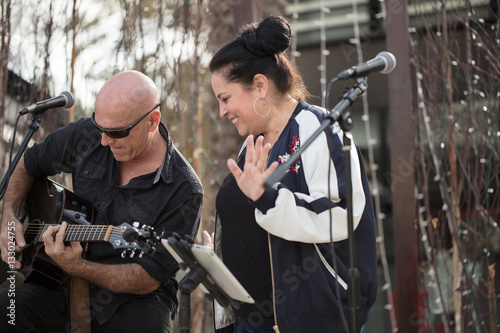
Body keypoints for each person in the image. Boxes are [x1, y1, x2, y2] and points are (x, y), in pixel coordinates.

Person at [208, 15, 377, 333]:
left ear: (259, 85)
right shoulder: (252, 144)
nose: (222, 112)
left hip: (309, 321)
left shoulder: (319, 128)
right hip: (247, 321)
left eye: (226, 99)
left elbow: (341, 213)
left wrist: (267, 197)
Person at [0, 70, 203, 332]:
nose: (104, 140)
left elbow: (149, 276)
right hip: (57, 276)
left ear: (152, 121)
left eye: (117, 132)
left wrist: (80, 266)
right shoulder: (89, 134)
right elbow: (26, 164)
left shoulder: (184, 190)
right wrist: (9, 216)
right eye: (100, 127)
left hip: (133, 298)